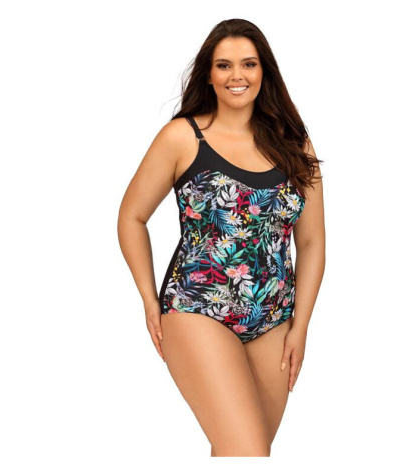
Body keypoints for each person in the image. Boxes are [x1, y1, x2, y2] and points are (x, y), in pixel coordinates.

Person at [117, 18, 325, 457]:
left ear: (264, 71)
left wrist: (301, 325)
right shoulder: (182, 137)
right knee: (246, 450)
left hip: (273, 319)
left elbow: (311, 242)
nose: (237, 75)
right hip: (197, 309)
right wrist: (148, 299)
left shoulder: (294, 143)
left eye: (248, 64)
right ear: (208, 75)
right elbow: (132, 216)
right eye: (224, 65)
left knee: (244, 454)